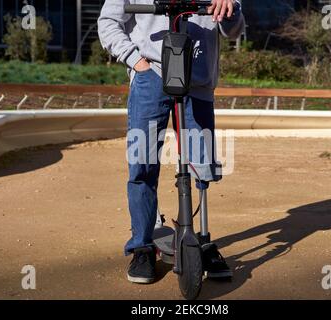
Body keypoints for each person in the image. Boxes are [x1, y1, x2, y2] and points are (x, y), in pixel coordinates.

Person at [98, 0, 245, 284]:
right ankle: (142, 246)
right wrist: (134, 60)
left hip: (198, 81)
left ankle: (200, 240)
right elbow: (108, 22)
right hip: (150, 75)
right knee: (142, 164)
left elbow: (234, 31)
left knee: (201, 167)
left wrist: (231, 9)